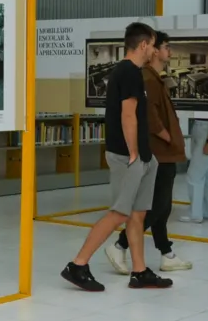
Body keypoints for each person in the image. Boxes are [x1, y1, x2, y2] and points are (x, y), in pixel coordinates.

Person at [61, 22, 174, 292]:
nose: (154, 51)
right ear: (144, 44)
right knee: (119, 213)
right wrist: (134, 151)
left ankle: (139, 271)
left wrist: (145, 156)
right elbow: (128, 115)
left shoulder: (133, 72)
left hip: (143, 156)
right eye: (153, 45)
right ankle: (77, 265)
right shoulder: (128, 72)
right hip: (128, 156)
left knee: (137, 214)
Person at [104, 31, 193, 274]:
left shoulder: (153, 77)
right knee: (157, 206)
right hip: (160, 152)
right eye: (164, 46)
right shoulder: (148, 79)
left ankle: (166, 253)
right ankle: (120, 245)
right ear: (151, 49)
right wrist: (169, 138)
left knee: (160, 207)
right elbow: (146, 117)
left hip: (163, 152)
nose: (169, 52)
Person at [181, 118, 208, 223]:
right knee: (205, 174)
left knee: (194, 176)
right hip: (199, 127)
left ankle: (195, 214)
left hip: (207, 131)